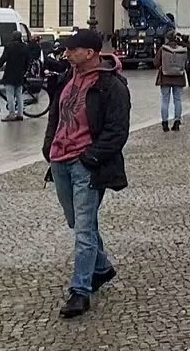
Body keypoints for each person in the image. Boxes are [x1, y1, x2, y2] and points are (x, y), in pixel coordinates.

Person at [41, 29, 130, 319]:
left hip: (85, 164)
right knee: (79, 222)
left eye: (72, 50)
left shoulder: (112, 85)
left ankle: (80, 291)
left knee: (83, 228)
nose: (66, 54)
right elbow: (56, 111)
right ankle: (102, 268)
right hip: (59, 160)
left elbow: (117, 130)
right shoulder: (69, 77)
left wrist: (90, 157)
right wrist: (49, 146)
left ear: (90, 53)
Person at [155, 32, 187, 132]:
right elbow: (185, 64)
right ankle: (177, 122)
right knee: (178, 100)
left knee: (165, 101)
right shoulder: (181, 50)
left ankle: (165, 123)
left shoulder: (163, 49)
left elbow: (156, 62)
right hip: (178, 78)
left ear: (167, 39)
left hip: (165, 78)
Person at [0, 31, 30, 121]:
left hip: (10, 73)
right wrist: (25, 71)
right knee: (19, 94)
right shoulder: (25, 47)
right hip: (20, 74)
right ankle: (20, 114)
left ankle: (11, 114)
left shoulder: (9, 46)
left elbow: (3, 58)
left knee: (10, 95)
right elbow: (28, 61)